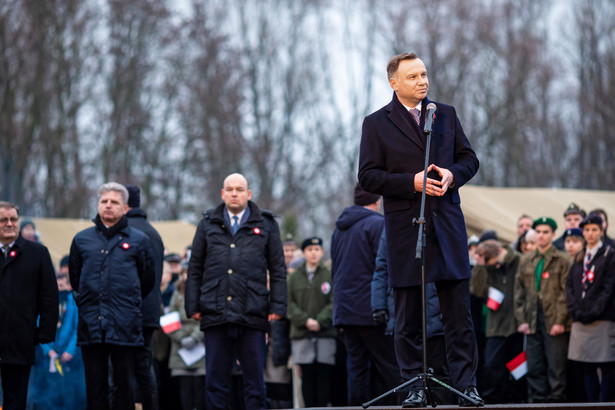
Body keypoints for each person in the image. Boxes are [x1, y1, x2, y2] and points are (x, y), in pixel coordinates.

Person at [357, 52, 482, 407]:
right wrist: (411, 182)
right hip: (406, 230)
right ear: (394, 83)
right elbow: (367, 176)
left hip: (448, 226)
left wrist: (453, 174)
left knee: (459, 315)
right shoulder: (376, 123)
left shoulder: (446, 114)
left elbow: (469, 159)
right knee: (408, 316)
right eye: (413, 76)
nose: (422, 81)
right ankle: (414, 385)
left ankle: (466, 385)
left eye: (424, 74)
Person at [185, 173, 287, 410]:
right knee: (215, 382)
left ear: (248, 194)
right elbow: (195, 267)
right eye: (229, 189)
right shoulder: (207, 223)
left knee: (254, 383)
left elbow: (278, 270)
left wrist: (278, 306)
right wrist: (193, 306)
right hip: (215, 312)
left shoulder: (267, 225)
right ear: (222, 193)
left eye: (239, 189)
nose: (234, 193)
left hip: (253, 312)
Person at [69, 182, 155, 410]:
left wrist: (126, 304)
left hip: (124, 325)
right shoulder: (81, 240)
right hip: (91, 324)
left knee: (123, 386)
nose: (108, 206)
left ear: (125, 207)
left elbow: (147, 281)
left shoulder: (139, 240)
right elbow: (76, 280)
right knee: (95, 386)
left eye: (114, 202)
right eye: (104, 201)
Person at [330, 183, 400, 406]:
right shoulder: (378, 224)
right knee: (391, 367)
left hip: (345, 311)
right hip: (371, 310)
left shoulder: (338, 230)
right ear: (377, 201)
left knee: (356, 369)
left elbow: (335, 270)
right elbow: (385, 268)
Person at [0, 201, 58, 410]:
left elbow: (50, 296)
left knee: (15, 399)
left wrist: (44, 333)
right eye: (3, 220)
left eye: (13, 219)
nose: (9, 224)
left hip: (20, 339)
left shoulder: (37, 253)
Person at [514, 217, 571, 403]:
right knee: (534, 366)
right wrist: (521, 320)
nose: (541, 236)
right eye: (538, 232)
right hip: (532, 318)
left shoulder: (562, 259)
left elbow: (566, 293)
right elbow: (518, 292)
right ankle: (536, 403)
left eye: (545, 232)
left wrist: (560, 321)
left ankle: (556, 402)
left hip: (553, 318)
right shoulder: (526, 259)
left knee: (556, 367)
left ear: (553, 234)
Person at [124, 184, 165, 410]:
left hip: (127, 310)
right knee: (144, 369)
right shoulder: (153, 232)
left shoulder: (127, 232)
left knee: (121, 371)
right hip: (149, 312)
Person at [566, 214, 615, 402]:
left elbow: (609, 288)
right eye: (587, 230)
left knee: (606, 366)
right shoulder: (580, 257)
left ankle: (605, 404)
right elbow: (570, 286)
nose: (590, 233)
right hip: (581, 319)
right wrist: (575, 310)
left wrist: (594, 311)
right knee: (586, 366)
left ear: (602, 231)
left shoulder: (609, 255)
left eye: (594, 229)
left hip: (602, 319)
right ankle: (592, 404)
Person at [471, 240, 525, 403]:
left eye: (494, 263)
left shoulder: (518, 260)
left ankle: (517, 401)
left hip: (517, 323)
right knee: (492, 365)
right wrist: (480, 265)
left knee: (518, 368)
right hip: (496, 324)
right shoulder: (486, 265)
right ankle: (493, 402)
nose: (493, 267)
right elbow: (477, 290)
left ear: (501, 251)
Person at [287, 237, 335, 407]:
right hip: (302, 334)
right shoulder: (294, 277)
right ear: (304, 253)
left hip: (325, 334)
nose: (313, 253)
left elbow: (333, 301)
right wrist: (305, 320)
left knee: (324, 377)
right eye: (309, 250)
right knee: (306, 378)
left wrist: (320, 321)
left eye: (317, 249)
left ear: (322, 252)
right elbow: (289, 304)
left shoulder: (329, 274)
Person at [37, 257, 86, 409]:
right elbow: (39, 325)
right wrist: (48, 350)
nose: (59, 289)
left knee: (69, 392)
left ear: (68, 286)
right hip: (50, 355)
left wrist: (70, 350)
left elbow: (77, 328)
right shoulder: (46, 301)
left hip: (69, 356)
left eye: (61, 285)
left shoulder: (73, 302)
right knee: (48, 391)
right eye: (55, 285)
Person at [168, 265, 206, 410]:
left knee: (199, 389)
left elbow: (208, 317)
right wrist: (181, 337)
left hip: (200, 346)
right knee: (184, 390)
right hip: (180, 346)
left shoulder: (204, 292)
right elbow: (169, 318)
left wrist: (195, 337)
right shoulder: (177, 293)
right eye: (185, 273)